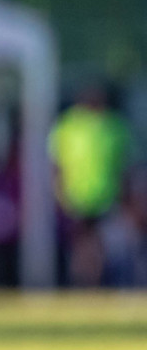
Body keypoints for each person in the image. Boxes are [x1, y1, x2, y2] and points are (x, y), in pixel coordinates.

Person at [48, 84, 133, 286]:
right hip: (78, 195)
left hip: (104, 194)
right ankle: (83, 282)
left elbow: (123, 164)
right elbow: (56, 163)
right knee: (83, 243)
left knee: (98, 243)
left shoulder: (113, 126)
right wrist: (58, 190)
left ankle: (96, 281)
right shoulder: (69, 126)